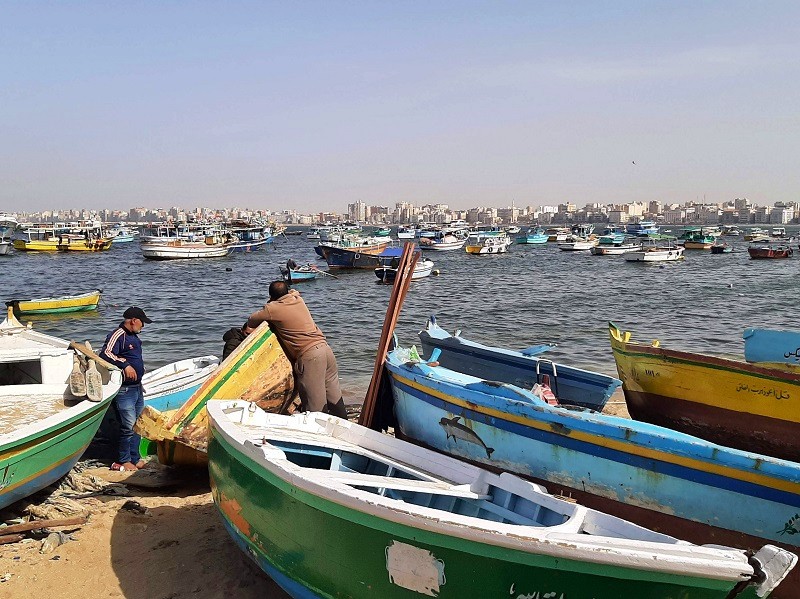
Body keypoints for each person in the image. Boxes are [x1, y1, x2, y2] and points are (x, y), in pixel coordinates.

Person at [247, 281, 347, 418]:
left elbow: (252, 320)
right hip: (325, 349)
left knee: (315, 407)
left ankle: (318, 436)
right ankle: (344, 427)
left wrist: (269, 303)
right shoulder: (298, 299)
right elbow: (294, 291)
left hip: (310, 356)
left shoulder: (272, 309)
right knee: (334, 397)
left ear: (271, 296)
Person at [101, 306, 153, 471]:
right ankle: (124, 460)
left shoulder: (134, 338)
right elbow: (106, 353)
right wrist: (125, 365)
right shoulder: (118, 335)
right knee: (128, 425)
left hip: (137, 388)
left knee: (138, 424)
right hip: (125, 390)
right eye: (142, 323)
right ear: (133, 321)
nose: (143, 326)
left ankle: (135, 458)